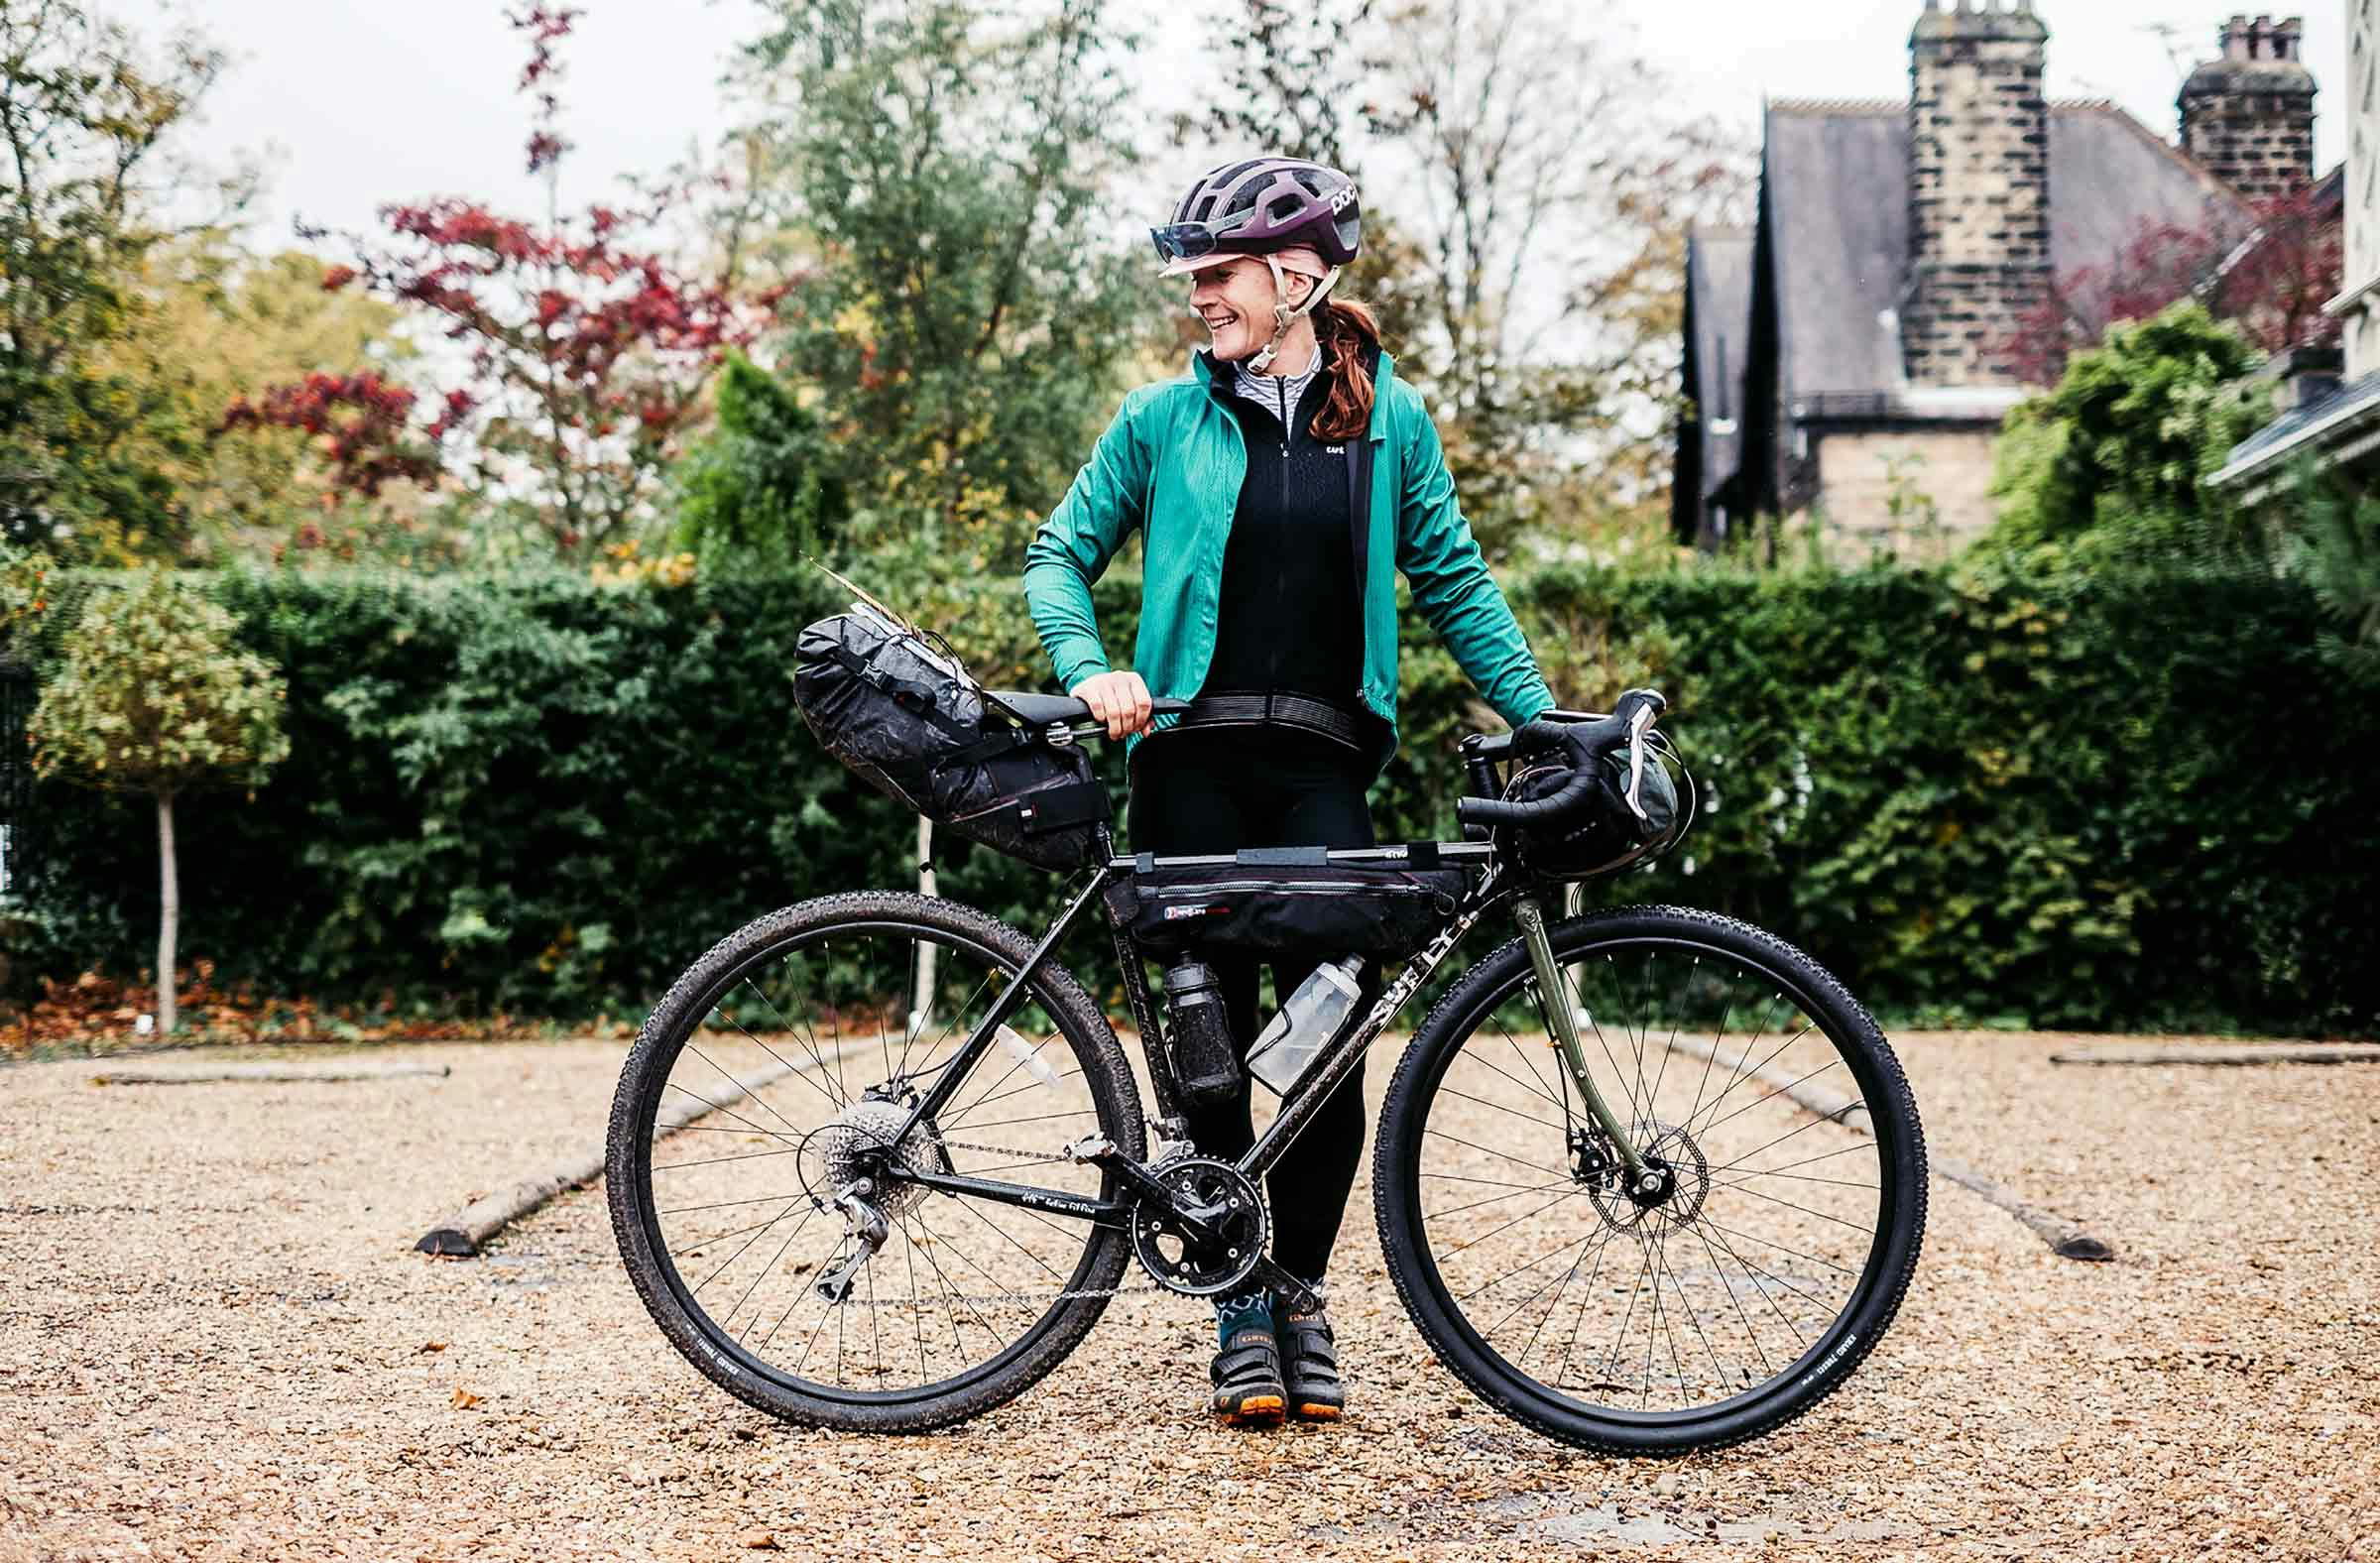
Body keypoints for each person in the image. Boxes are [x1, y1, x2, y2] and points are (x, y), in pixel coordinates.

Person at [1021, 157, 1556, 1429]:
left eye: (1220, 274)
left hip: (1323, 767)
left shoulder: (1390, 422)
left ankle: (1300, 1295)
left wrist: (1542, 720)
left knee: (1329, 1049)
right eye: (1195, 277)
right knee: (1207, 1053)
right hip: (1187, 763)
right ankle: (1237, 1310)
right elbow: (1057, 554)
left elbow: (1454, 579)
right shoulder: (1160, 420)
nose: (1199, 296)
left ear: (1298, 276)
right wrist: (1090, 667)